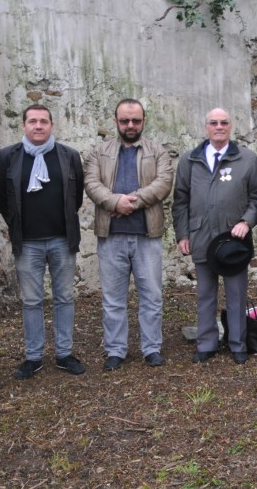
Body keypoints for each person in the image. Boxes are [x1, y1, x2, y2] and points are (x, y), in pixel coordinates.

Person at [0, 105, 85, 379]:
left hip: (62, 240)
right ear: (23, 125)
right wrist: (16, 223)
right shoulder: (8, 157)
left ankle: (64, 353)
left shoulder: (69, 156)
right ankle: (33, 357)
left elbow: (76, 196)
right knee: (32, 301)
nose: (38, 126)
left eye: (44, 121)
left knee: (64, 298)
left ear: (52, 125)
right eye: (32, 121)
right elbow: (2, 198)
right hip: (28, 243)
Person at [84, 99, 174, 371]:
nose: (130, 125)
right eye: (125, 121)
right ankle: (115, 350)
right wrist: (115, 202)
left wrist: (130, 201)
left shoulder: (158, 152)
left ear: (143, 121)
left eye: (135, 120)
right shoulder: (99, 152)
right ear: (116, 122)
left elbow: (163, 183)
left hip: (147, 235)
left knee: (151, 296)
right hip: (111, 236)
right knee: (113, 299)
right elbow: (91, 183)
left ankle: (152, 348)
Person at [172, 108, 257, 365]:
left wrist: (247, 221)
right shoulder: (190, 160)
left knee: (236, 295)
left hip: (233, 239)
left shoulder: (247, 159)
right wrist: (183, 234)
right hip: (201, 236)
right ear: (206, 127)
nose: (219, 126)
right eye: (214, 123)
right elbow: (180, 201)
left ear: (230, 126)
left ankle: (237, 343)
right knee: (205, 294)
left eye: (224, 122)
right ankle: (206, 343)